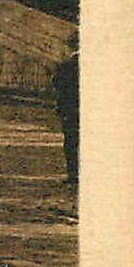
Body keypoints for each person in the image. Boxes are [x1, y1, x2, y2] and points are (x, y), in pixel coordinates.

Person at [54, 38, 79, 186]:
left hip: (70, 111)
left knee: (71, 142)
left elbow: (57, 83)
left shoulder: (66, 66)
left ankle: (73, 173)